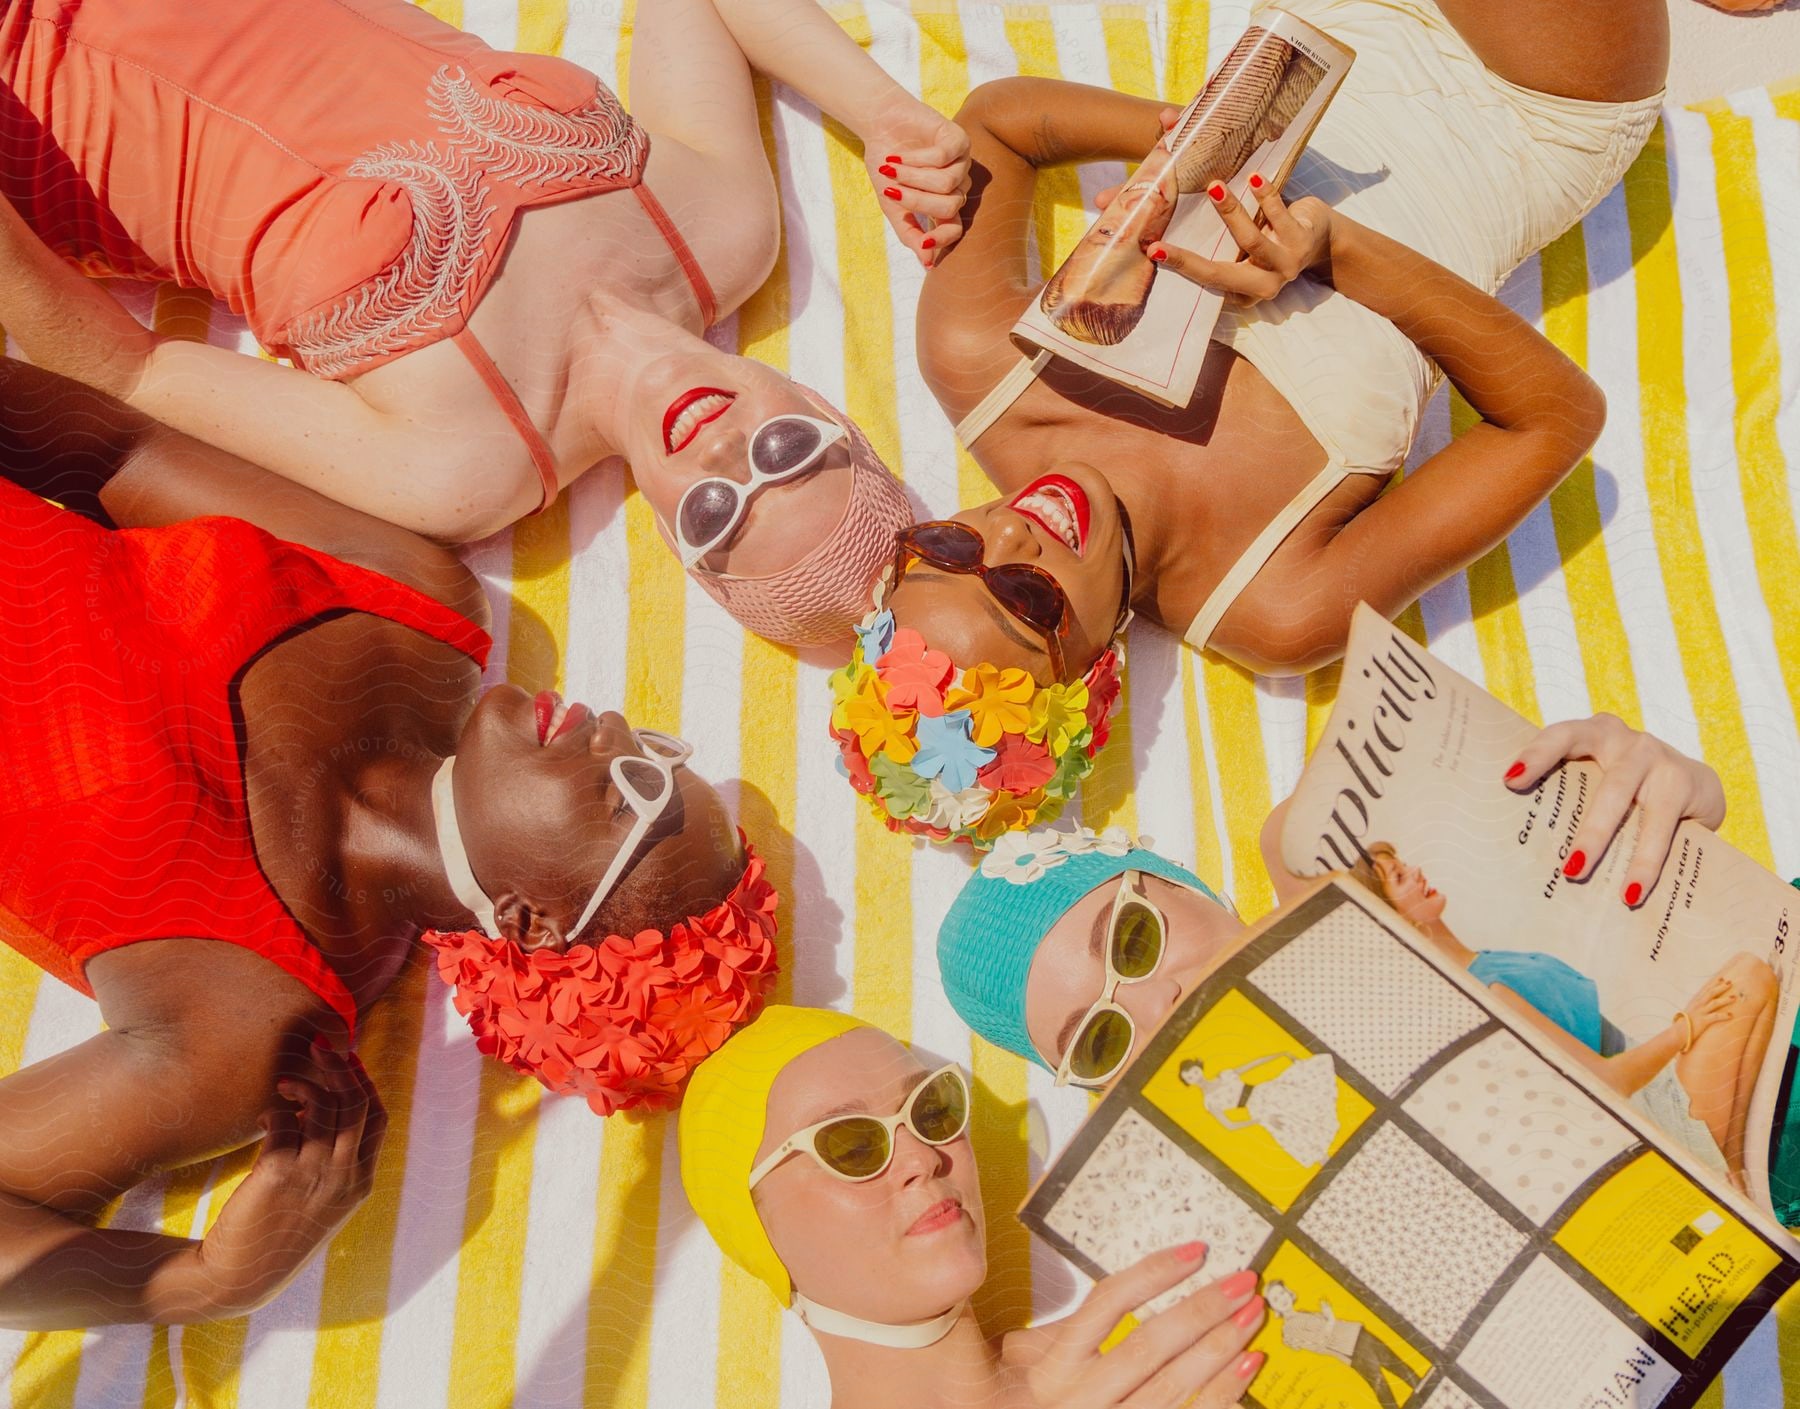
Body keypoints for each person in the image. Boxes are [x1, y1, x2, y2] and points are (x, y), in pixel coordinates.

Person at [0, 360, 776, 1331]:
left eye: (632, 793)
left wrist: (205, 1281)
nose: (620, 734)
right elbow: (121, 451)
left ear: (534, 921)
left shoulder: (246, 1021)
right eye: (658, 748)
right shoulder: (418, 602)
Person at [0, 0, 970, 643]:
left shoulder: (465, 468)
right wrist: (881, 110)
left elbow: (124, 372)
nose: (729, 455)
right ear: (819, 404)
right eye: (790, 450)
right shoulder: (720, 229)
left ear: (684, 549)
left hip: (28, 95)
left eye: (720, 514)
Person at [907, 0, 1667, 676]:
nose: (1005, 532)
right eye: (1022, 600)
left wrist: (1212, 156)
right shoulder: (1277, 603)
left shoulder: (983, 365)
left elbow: (995, 125)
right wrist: (1336, 254)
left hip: (1312, 28)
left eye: (947, 551)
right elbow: (1556, 418)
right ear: (1095, 666)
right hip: (1510, 112)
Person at [678, 1004, 1270, 1408]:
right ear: (757, 1231)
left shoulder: (1150, 1337)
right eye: (853, 1145)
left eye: (931, 1112)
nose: (923, 1158)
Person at [1336, 839, 1776, 1190]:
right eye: (1399, 877)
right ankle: (1718, 1173)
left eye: (1403, 864)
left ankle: (1732, 1175)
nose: (1415, 871)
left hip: (1660, 1084)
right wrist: (1684, 1029)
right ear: (1392, 918)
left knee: (1753, 973)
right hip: (1652, 1108)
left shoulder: (1485, 961)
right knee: (1750, 977)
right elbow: (1607, 1084)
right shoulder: (1483, 994)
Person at [1263, 1281, 1419, 1409]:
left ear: (1287, 1291)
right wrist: (1330, 1318)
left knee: (1399, 1366)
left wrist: (1325, 1315)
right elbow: (1319, 1342)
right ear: (1273, 1308)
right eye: (1275, 1299)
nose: (1282, 1299)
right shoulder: (1290, 1327)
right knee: (1381, 1385)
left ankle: (1430, 1391)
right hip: (1351, 1349)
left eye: (1281, 1293)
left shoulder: (1301, 1313)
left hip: (1358, 1335)